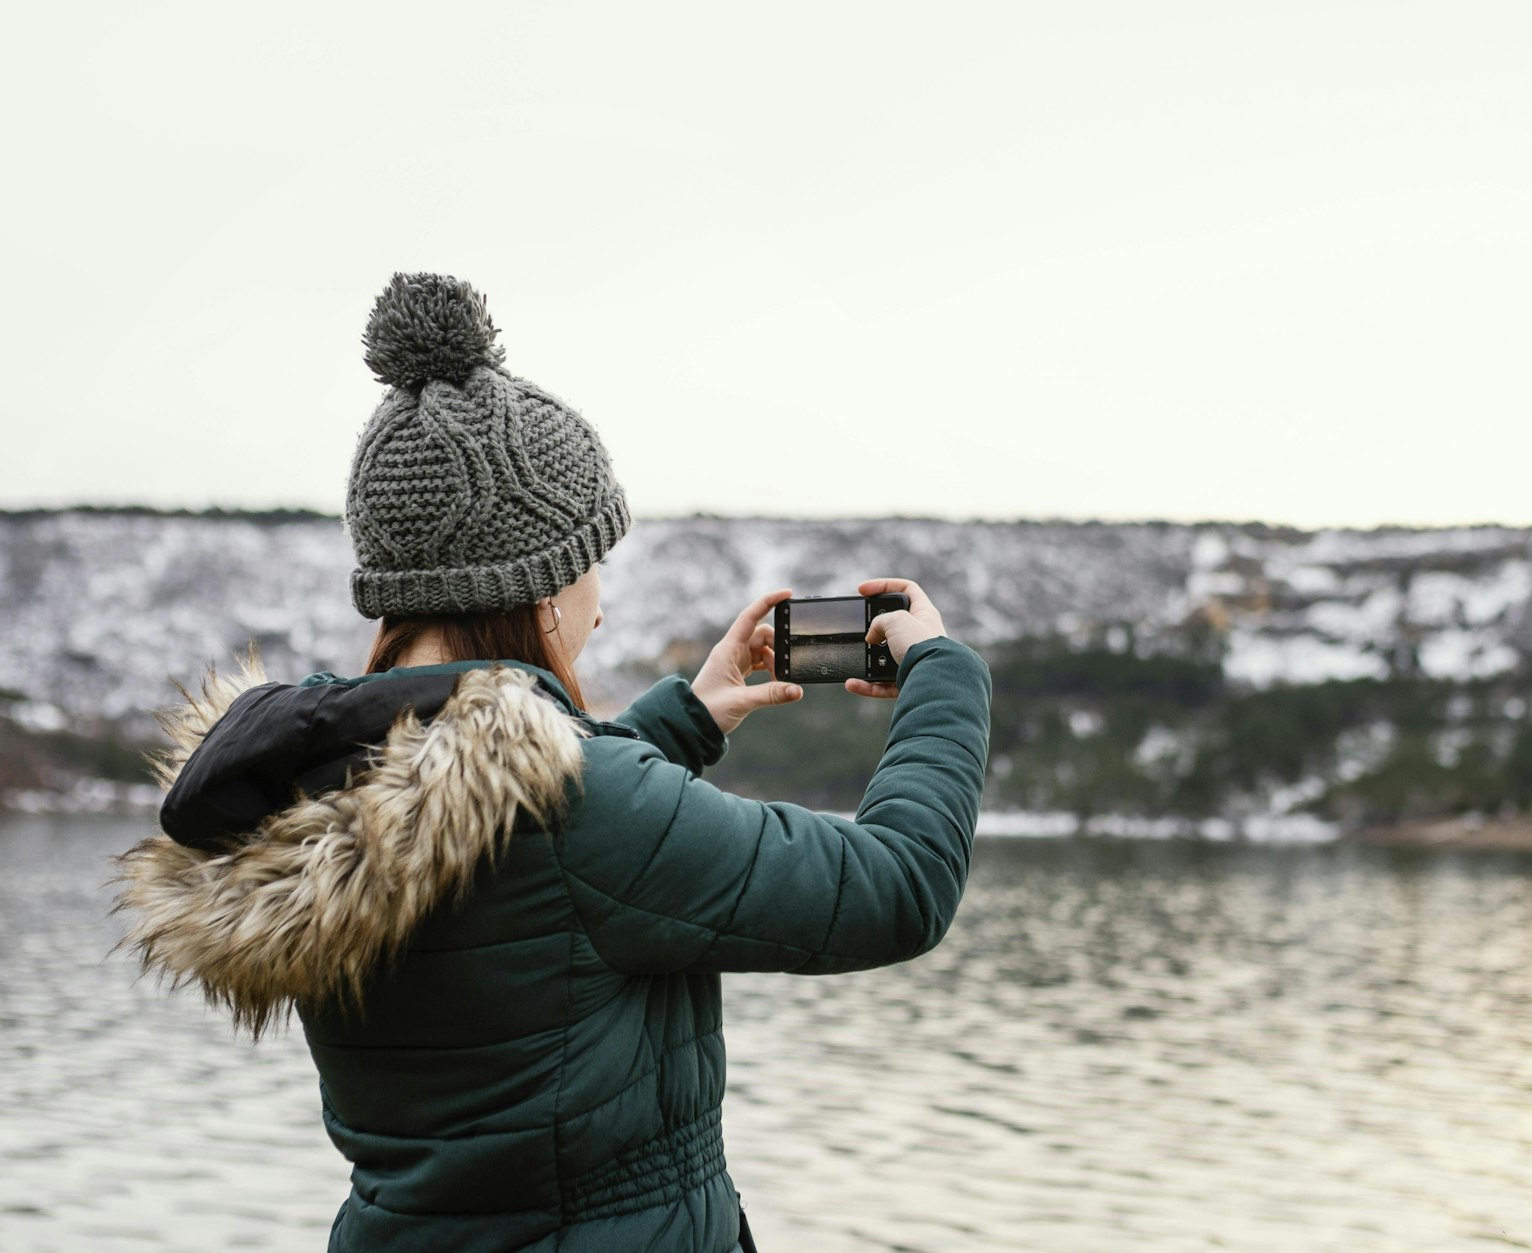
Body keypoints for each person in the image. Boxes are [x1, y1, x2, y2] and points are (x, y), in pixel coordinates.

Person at [113, 273, 993, 1253]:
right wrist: (944, 676)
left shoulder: (318, 784)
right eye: (591, 563)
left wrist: (681, 720)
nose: (599, 604)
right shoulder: (580, 809)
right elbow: (899, 886)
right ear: (538, 590)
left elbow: (526, 875)